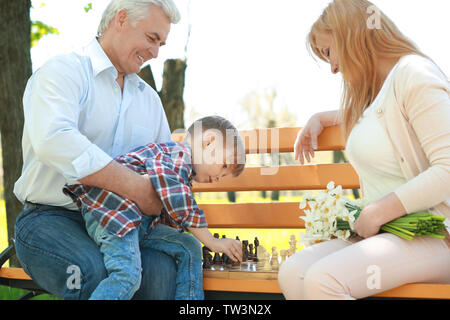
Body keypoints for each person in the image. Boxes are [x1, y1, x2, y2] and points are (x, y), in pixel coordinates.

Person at [13, 0, 187, 299]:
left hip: (124, 226)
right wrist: (135, 186)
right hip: (51, 218)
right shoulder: (63, 71)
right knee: (91, 272)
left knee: (161, 272)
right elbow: (54, 139)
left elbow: (166, 165)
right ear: (121, 19)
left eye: (161, 43)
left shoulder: (149, 101)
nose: (156, 53)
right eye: (151, 38)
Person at [278, 0, 450, 300]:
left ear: (351, 36)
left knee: (323, 280)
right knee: (294, 271)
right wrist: (321, 117)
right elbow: (377, 117)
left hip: (435, 236)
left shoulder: (415, 73)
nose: (332, 68)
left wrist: (377, 212)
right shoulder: (376, 95)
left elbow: (447, 168)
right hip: (387, 235)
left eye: (329, 52)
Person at [63, 116, 245, 300]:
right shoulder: (179, 155)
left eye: (225, 175)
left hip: (136, 222)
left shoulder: (182, 171)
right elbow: (181, 202)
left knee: (189, 246)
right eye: (224, 165)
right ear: (209, 142)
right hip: (115, 213)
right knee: (127, 276)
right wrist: (212, 241)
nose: (219, 178)